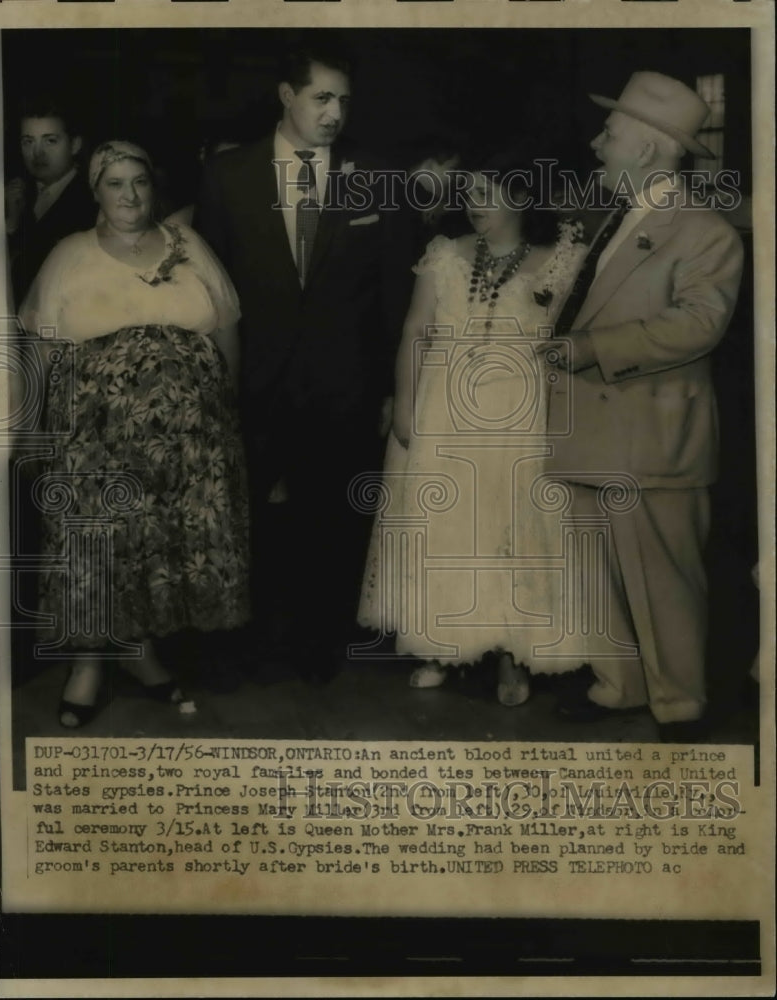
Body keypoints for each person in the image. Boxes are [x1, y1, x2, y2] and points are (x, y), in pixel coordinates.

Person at [195, 46, 412, 680]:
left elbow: (397, 292)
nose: (336, 113)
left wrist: (394, 388)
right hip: (255, 380)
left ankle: (320, 645)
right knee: (253, 516)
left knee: (335, 518)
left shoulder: (377, 176)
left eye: (345, 100)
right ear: (286, 97)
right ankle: (257, 639)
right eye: (322, 98)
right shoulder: (227, 175)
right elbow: (211, 291)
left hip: (345, 384)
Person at [18, 140, 250, 728]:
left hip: (187, 442)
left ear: (154, 186)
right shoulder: (69, 254)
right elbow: (40, 352)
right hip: (94, 437)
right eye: (115, 183)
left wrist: (223, 414)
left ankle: (142, 653)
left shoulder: (188, 246)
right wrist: (29, 430)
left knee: (152, 551)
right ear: (95, 191)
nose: (129, 194)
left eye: (139, 182)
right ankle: (89, 666)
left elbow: (226, 334)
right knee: (96, 547)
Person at [542, 72, 744, 740]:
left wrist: (595, 346)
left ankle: (678, 702)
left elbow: (696, 326)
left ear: (652, 149)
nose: (596, 142)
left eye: (611, 131)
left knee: (661, 580)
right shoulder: (611, 218)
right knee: (596, 572)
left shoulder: (704, 231)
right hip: (591, 432)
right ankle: (618, 684)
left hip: (651, 440)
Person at [358, 151, 588, 705]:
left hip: (517, 416)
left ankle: (513, 654)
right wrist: (408, 404)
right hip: (444, 411)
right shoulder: (445, 253)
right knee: (446, 528)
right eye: (469, 190)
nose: (474, 202)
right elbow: (414, 331)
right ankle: (442, 644)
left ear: (523, 197)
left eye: (488, 191)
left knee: (509, 531)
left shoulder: (562, 260)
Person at [6, 100, 98, 307]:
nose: (37, 153)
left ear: (75, 145)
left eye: (50, 141)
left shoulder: (94, 201)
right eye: (28, 141)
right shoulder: (16, 195)